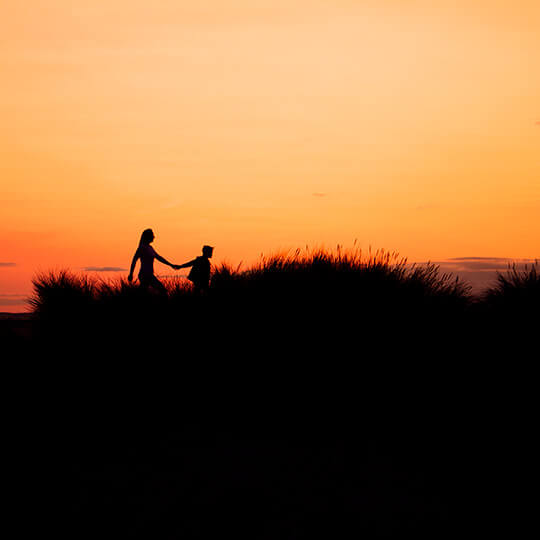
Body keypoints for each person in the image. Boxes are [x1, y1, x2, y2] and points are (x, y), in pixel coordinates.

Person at [128, 228, 178, 294]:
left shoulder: (150, 248)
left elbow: (159, 257)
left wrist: (171, 264)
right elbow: (134, 261)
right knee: (162, 291)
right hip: (145, 275)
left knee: (144, 293)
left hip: (149, 274)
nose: (154, 237)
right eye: (152, 235)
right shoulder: (141, 248)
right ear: (147, 237)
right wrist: (131, 274)